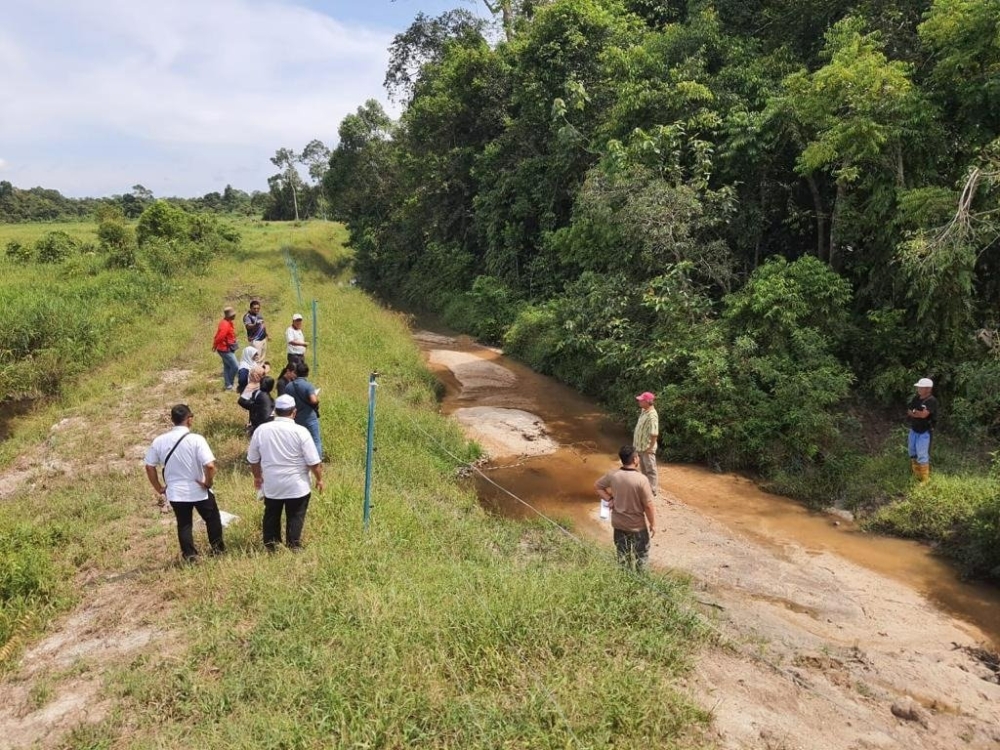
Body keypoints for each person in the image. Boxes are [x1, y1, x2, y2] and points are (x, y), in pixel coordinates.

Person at [144, 404, 225, 562]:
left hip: (175, 491)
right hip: (198, 489)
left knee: (184, 524)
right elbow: (209, 465)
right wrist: (207, 483)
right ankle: (217, 550)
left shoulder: (159, 441)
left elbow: (149, 466)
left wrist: (159, 488)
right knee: (212, 519)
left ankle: (190, 556)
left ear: (172, 420)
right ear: (189, 419)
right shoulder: (196, 440)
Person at [248, 393, 324, 551]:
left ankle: (271, 545)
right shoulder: (301, 432)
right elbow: (313, 462)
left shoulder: (261, 430)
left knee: (271, 513)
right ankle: (293, 544)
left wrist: (257, 477)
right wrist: (319, 479)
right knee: (296, 514)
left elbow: (253, 459)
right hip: (297, 484)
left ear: (275, 411)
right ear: (294, 412)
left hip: (272, 483)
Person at [595, 445, 656, 570]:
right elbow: (648, 506)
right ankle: (640, 585)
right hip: (637, 526)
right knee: (641, 557)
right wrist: (653, 524)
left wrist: (610, 499)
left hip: (618, 524)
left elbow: (598, 486)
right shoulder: (642, 480)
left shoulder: (613, 475)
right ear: (634, 460)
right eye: (638, 457)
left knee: (622, 556)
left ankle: (624, 581)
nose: (638, 459)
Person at [285, 361, 322, 456]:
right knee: (315, 440)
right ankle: (317, 461)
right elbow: (314, 400)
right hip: (309, 418)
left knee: (297, 442)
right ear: (307, 373)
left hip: (295, 418)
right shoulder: (308, 386)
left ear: (296, 372)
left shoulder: (288, 386)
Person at [907, 377, 938, 482]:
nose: (918, 389)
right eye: (918, 387)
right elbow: (909, 411)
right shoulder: (916, 398)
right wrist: (917, 413)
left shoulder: (932, 401)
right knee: (912, 451)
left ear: (928, 389)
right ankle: (916, 474)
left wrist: (916, 413)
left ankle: (925, 479)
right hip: (914, 429)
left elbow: (924, 415)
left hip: (925, 431)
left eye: (921, 387)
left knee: (922, 454)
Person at [633, 391, 660, 496]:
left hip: (647, 447)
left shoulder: (652, 416)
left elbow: (654, 433)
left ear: (647, 402)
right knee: (643, 469)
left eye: (641, 400)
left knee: (650, 470)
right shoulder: (644, 411)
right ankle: (646, 488)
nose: (639, 401)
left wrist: (651, 447)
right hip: (640, 447)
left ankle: (652, 490)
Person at [212, 306, 239, 391]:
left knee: (227, 367)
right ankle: (230, 384)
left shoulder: (227, 322)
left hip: (226, 348)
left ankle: (228, 386)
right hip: (224, 349)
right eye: (233, 315)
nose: (234, 316)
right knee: (235, 366)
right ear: (228, 315)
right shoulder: (225, 324)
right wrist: (215, 345)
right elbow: (220, 336)